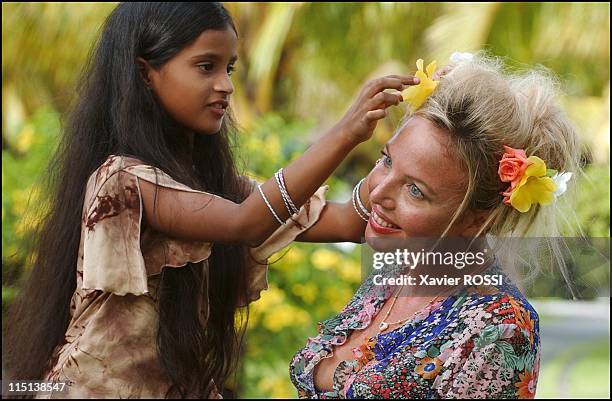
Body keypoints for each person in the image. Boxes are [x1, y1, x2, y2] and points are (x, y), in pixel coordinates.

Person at [2, 2, 420, 398]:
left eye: (229, 68)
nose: (226, 85)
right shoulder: (122, 180)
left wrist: (401, 157)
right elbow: (245, 223)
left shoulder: (210, 185)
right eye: (206, 67)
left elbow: (349, 223)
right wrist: (345, 132)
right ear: (146, 73)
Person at [290, 53, 581, 398]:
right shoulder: (395, 275)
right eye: (386, 161)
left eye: (415, 190)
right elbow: (255, 219)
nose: (377, 192)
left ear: (477, 219)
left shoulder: (499, 328)